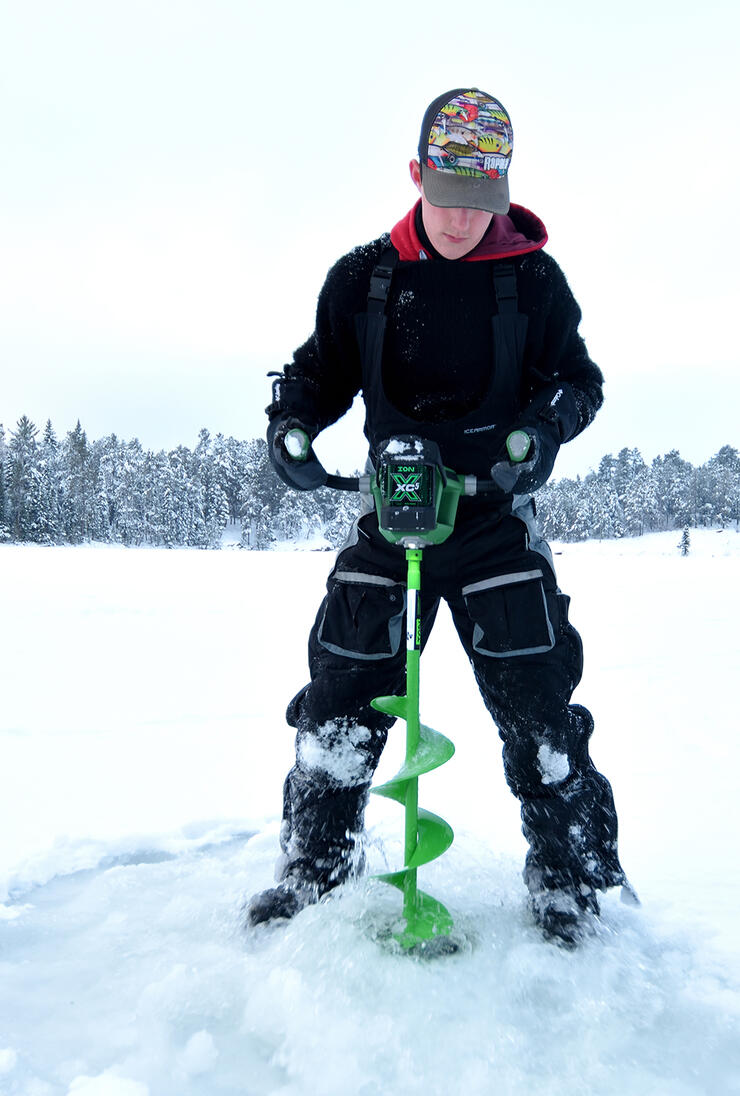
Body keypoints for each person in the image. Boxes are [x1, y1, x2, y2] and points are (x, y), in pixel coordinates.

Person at [247, 88, 629, 946]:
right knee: (338, 709)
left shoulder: (531, 280)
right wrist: (291, 426)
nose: (462, 219)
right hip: (391, 520)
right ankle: (314, 869)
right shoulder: (364, 279)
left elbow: (579, 382)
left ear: (504, 190)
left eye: (481, 200)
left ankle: (570, 882)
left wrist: (543, 429)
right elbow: (316, 375)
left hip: (495, 526)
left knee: (540, 715)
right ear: (417, 175)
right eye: (449, 195)